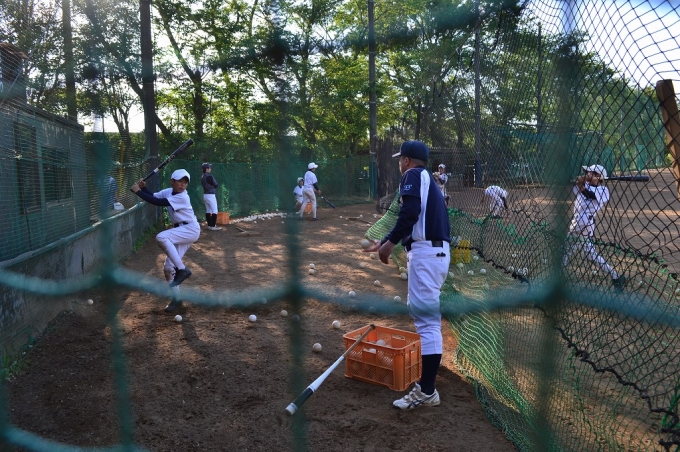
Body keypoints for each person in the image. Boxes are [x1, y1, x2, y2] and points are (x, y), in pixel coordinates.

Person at [363, 140, 451, 410]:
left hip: (427, 255)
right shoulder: (427, 180)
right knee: (425, 318)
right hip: (433, 254)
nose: (400, 163)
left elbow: (410, 213)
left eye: (401, 159)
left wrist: (389, 245)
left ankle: (427, 391)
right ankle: (428, 384)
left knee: (427, 323)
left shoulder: (412, 175)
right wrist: (386, 240)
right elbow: (413, 217)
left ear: (407, 160)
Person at [130, 169, 201, 313]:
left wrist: (138, 191)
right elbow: (153, 196)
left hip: (190, 229)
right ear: (172, 181)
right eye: (180, 181)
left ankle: (182, 270)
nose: (182, 185)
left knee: (161, 237)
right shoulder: (169, 192)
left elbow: (158, 202)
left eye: (185, 182)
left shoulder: (182, 197)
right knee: (168, 268)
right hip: (181, 230)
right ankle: (177, 299)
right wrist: (144, 188)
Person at [563, 164, 626, 290]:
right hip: (579, 222)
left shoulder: (603, 190)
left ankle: (557, 276)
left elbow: (590, 195)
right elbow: (574, 187)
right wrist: (579, 181)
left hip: (584, 222)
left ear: (598, 176)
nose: (587, 174)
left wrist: (581, 186)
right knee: (589, 254)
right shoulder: (584, 185)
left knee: (565, 248)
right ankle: (616, 276)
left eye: (590, 172)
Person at [201, 162, 221, 231]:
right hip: (211, 195)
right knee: (215, 210)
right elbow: (216, 185)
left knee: (208, 210)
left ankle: (209, 225)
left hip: (205, 195)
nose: (210, 169)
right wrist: (213, 185)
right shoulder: (209, 176)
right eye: (209, 168)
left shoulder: (202, 176)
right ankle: (213, 226)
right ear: (206, 169)